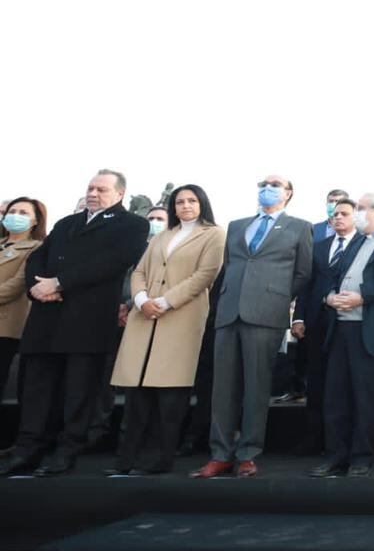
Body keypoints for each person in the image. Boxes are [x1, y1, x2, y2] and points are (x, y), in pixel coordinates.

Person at [0, 171, 149, 477]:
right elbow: (37, 258)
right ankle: (28, 449)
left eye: (102, 189)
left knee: (78, 391)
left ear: (120, 194)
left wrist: (60, 283)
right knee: (37, 389)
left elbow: (113, 262)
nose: (94, 193)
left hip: (87, 319)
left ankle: (67, 450)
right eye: (91, 188)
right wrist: (36, 287)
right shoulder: (67, 223)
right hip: (46, 316)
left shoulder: (132, 225)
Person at [192, 174, 313, 479]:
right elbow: (229, 266)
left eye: (275, 185)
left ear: (288, 193)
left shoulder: (299, 227)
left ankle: (247, 453)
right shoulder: (237, 225)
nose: (267, 189)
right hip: (229, 313)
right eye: (263, 185)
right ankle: (220, 454)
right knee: (223, 389)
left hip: (266, 314)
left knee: (256, 388)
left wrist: (275, 295)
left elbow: (303, 273)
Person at [109, 185, 225, 475]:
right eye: (180, 201)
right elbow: (139, 272)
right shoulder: (162, 235)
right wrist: (141, 299)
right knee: (136, 396)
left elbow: (205, 275)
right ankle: (126, 460)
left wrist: (164, 301)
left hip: (179, 317)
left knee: (170, 398)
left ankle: (160, 460)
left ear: (202, 204)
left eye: (191, 201)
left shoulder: (213, 234)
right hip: (144, 316)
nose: (185, 205)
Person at [310, 193, 374, 478]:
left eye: (359, 208)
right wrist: (330, 297)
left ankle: (361, 457)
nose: (355, 213)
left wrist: (361, 297)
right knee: (335, 397)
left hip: (370, 330)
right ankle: (335, 456)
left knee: (365, 398)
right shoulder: (356, 241)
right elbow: (333, 276)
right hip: (340, 327)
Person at [292, 197, 360, 455]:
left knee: (346, 384)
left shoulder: (363, 245)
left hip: (349, 322)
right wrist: (298, 317)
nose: (338, 217)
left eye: (344, 213)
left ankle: (344, 440)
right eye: (335, 214)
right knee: (316, 383)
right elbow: (307, 284)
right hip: (317, 323)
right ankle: (314, 438)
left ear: (356, 217)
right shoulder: (319, 246)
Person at [0, 198, 48, 409]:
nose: (15, 216)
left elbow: (17, 284)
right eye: (12, 211)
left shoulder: (36, 248)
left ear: (35, 221)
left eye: (23, 213)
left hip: (5, 326)